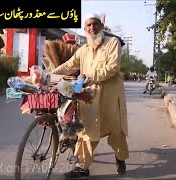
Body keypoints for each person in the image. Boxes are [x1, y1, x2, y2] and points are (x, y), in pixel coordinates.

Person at [51, 13, 129, 178]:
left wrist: (87, 77)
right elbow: (68, 65)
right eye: (88, 25)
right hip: (90, 96)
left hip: (111, 96)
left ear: (101, 27)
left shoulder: (112, 42)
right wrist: (49, 75)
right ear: (85, 29)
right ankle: (82, 167)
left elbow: (112, 67)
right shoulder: (83, 50)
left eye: (95, 24)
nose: (92, 28)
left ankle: (120, 158)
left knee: (116, 132)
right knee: (87, 130)